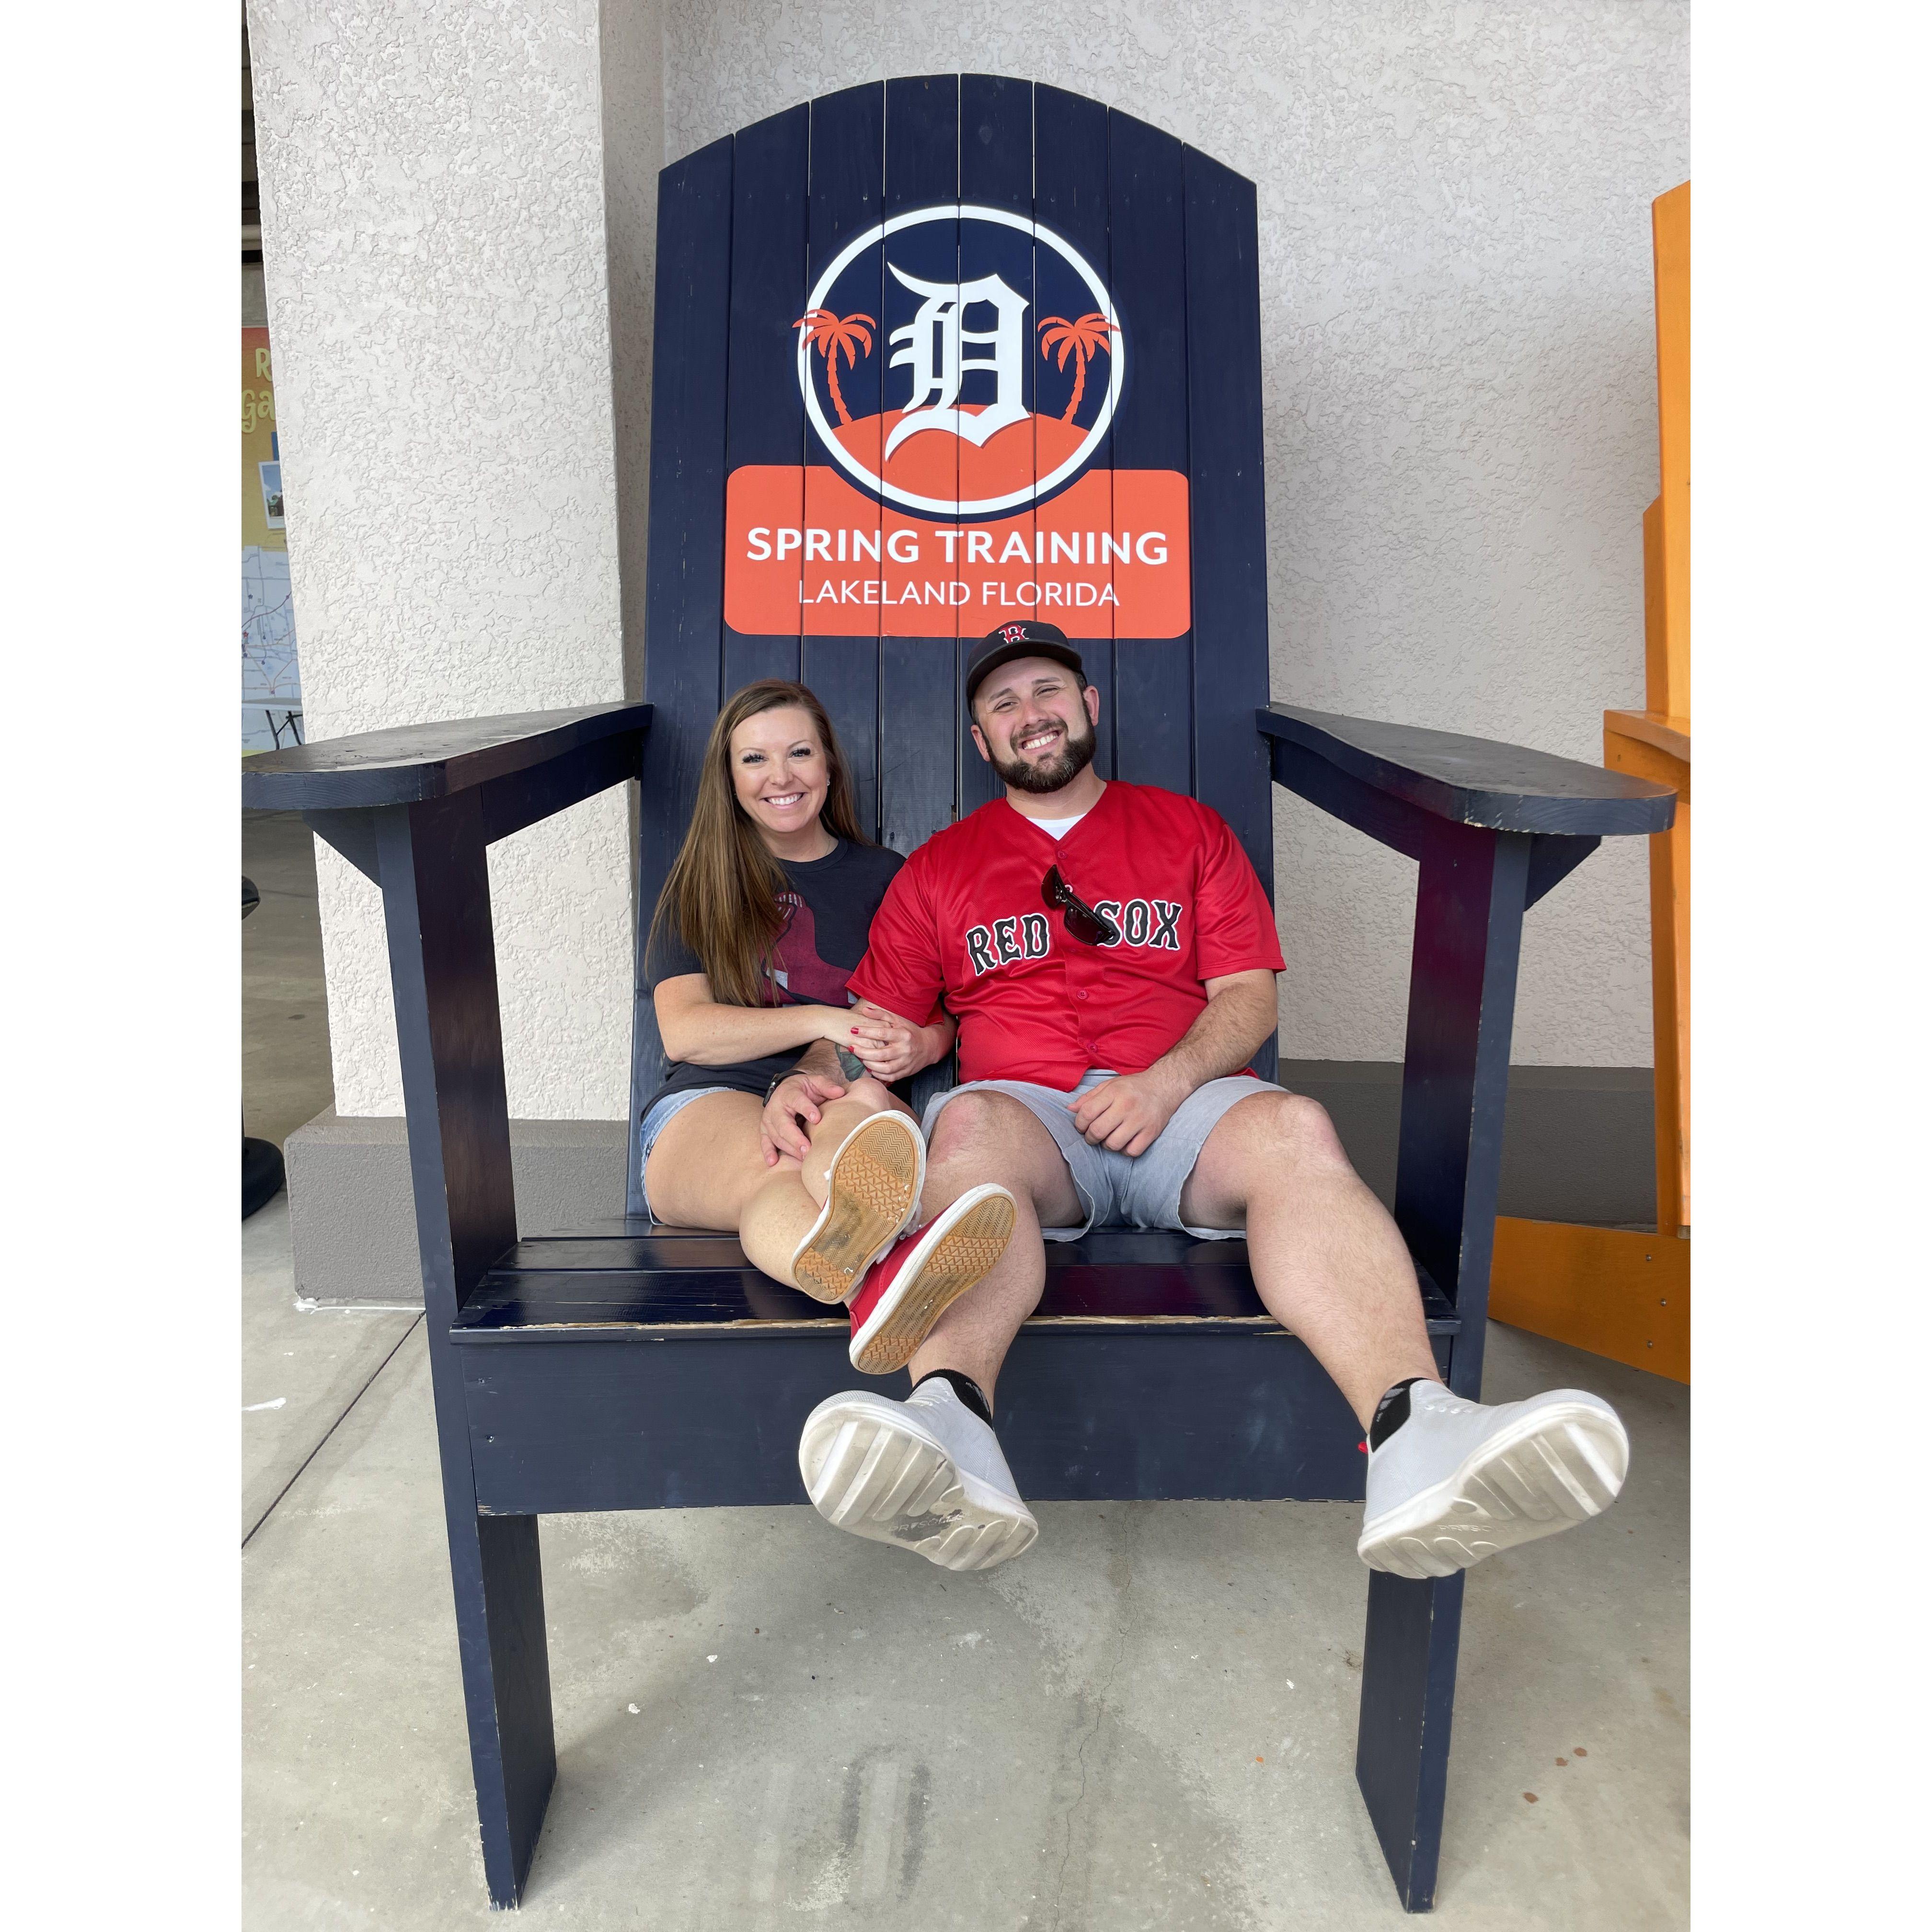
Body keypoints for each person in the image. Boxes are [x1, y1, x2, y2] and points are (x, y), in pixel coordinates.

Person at [781, 622, 1631, 1576]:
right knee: (968, 1128)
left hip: (1185, 1108)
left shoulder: (1188, 832)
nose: (1032, 715)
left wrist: (1166, 1081)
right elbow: (868, 1026)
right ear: (981, 740)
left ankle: (1416, 1433)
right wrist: (808, 1082)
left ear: (1089, 707)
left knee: (1297, 1127)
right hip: (1028, 1119)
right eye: (1004, 703)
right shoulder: (941, 869)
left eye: (1047, 691)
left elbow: (1249, 997)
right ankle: (951, 1426)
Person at [641, 678, 1016, 1372]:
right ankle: (891, 1279)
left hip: (842, 1094)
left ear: (830, 766)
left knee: (867, 1111)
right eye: (754, 760)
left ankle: (871, 1284)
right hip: (706, 1106)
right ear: (729, 779)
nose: (780, 777)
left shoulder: (885, 877)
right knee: (772, 1173)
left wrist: (922, 1042)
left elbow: (940, 1021)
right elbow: (686, 1033)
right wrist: (824, 1020)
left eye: (799, 753)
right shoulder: (700, 881)